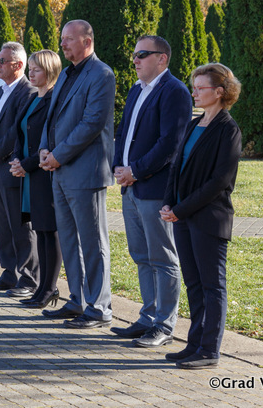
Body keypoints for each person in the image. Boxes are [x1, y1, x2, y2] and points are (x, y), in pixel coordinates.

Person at [110, 35, 192, 347]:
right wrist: (119, 166)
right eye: (135, 54)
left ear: (162, 59)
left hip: (155, 188)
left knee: (162, 257)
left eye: (143, 54)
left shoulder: (175, 91)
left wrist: (135, 170)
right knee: (141, 256)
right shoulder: (136, 89)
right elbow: (123, 132)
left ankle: (164, 325)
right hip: (131, 188)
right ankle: (147, 317)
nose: (135, 59)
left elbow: (170, 144)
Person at [161, 63, 242, 369]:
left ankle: (209, 350)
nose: (194, 92)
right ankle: (194, 343)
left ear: (219, 92)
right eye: (193, 87)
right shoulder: (195, 124)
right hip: (182, 216)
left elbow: (219, 181)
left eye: (200, 87)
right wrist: (169, 203)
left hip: (209, 218)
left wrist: (180, 209)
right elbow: (176, 167)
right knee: (194, 284)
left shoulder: (228, 130)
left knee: (212, 285)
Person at [39, 20, 115, 328]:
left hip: (85, 172)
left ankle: (99, 307)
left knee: (93, 242)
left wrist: (58, 155)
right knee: (70, 241)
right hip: (59, 170)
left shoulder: (102, 74)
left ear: (87, 41)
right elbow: (51, 118)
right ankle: (78, 300)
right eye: (62, 39)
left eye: (69, 39)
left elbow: (91, 123)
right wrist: (44, 149)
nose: (63, 44)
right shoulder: (67, 74)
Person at [0, 42, 37, 296]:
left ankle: (29, 278)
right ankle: (9, 273)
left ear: (18, 65)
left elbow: (15, 133)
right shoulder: (1, 90)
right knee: (3, 223)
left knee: (20, 226)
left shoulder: (28, 92)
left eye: (2, 61)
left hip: (11, 166)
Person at [9, 50, 63, 309]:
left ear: (50, 71)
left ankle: (50, 288)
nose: (31, 73)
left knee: (49, 230)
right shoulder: (32, 97)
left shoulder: (55, 99)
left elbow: (50, 140)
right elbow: (20, 133)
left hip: (44, 173)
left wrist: (26, 164)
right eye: (30, 68)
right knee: (39, 230)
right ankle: (41, 286)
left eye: (37, 69)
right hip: (30, 174)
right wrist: (17, 159)